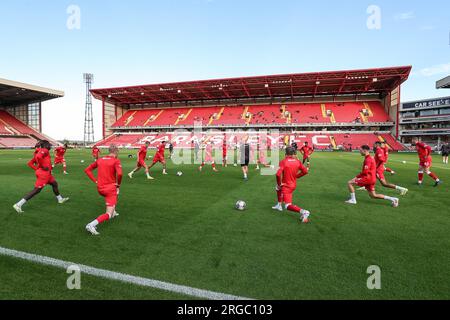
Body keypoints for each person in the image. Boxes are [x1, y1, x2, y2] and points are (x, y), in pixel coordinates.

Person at [13, 140, 69, 213]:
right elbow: (39, 157)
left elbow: (30, 163)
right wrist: (42, 166)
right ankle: (18, 204)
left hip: (46, 173)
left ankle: (60, 199)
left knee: (54, 183)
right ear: (45, 145)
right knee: (37, 190)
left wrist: (38, 168)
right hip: (44, 174)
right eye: (49, 144)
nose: (50, 146)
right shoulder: (44, 150)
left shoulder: (39, 151)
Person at [84, 144, 123, 235]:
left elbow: (87, 170)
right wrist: (118, 185)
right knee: (108, 214)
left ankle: (114, 211)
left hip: (100, 188)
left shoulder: (100, 160)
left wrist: (95, 181)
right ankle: (91, 225)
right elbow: (120, 174)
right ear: (116, 152)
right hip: (109, 189)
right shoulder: (115, 161)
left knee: (115, 193)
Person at [272, 146, 310, 223]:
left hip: (287, 186)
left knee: (287, 206)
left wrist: (279, 184)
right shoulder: (298, 161)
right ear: (293, 153)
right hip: (293, 184)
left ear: (286, 153)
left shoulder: (283, 161)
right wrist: (296, 176)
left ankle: (304, 212)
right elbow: (305, 171)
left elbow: (278, 174)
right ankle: (279, 205)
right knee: (277, 188)